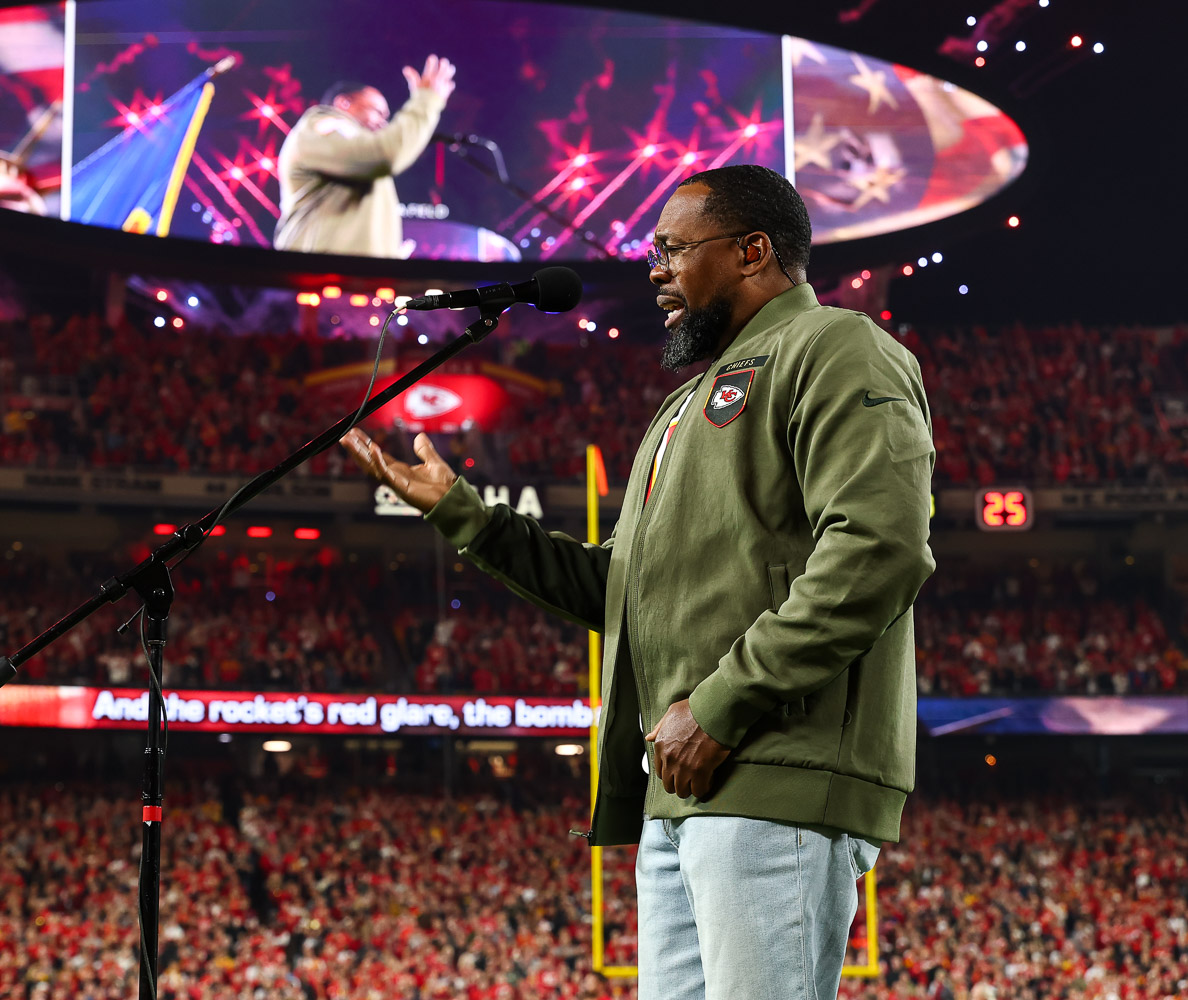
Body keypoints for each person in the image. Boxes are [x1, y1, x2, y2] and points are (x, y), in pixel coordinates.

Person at [340, 164, 936, 1000]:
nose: (652, 268)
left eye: (671, 248)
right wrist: (466, 516)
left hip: (774, 776)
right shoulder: (681, 407)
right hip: (682, 787)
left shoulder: (836, 345)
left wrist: (722, 706)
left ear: (752, 250)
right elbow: (620, 589)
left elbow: (880, 550)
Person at [272, 55, 455, 258]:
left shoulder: (358, 160)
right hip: (319, 278)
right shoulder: (324, 125)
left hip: (353, 280)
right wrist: (426, 100)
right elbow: (386, 153)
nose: (383, 124)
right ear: (344, 103)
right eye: (377, 112)